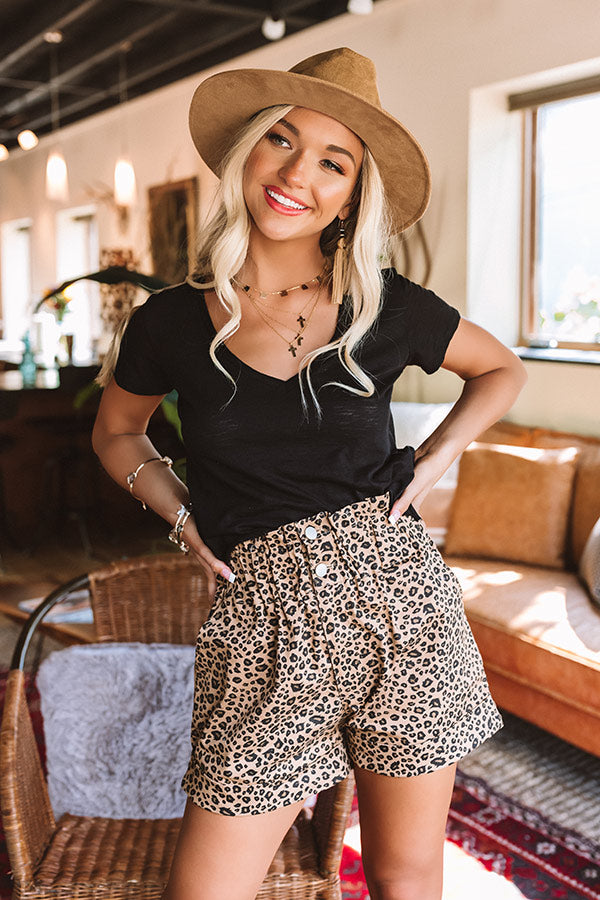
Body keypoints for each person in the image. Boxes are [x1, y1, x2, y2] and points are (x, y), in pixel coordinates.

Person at [92, 47, 527, 900]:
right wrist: (181, 519)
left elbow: (501, 369)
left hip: (404, 608)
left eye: (334, 161)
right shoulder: (173, 321)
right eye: (281, 142)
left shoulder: (386, 305)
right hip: (262, 625)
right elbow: (116, 432)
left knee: (406, 876)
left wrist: (438, 456)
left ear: (353, 194)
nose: (299, 174)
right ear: (246, 154)